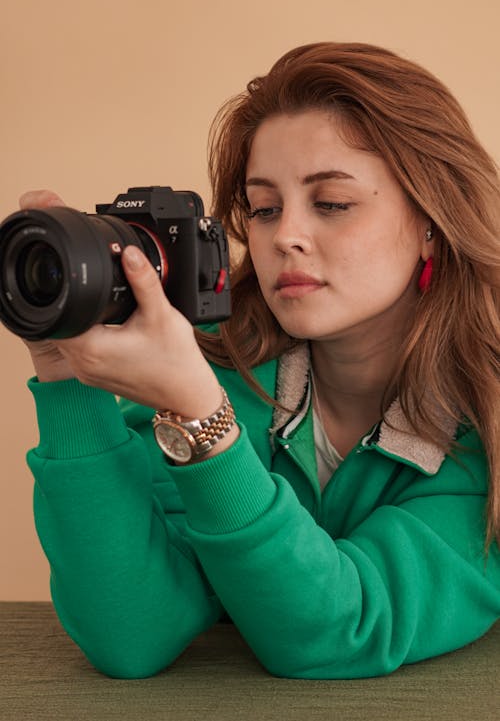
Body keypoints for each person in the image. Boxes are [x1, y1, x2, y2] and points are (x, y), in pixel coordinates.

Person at [16, 42, 500, 679]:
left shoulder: (483, 430)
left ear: (431, 220)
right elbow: (131, 633)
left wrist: (202, 424)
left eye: (331, 203)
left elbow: (340, 631)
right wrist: (66, 373)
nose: (284, 236)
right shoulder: (214, 370)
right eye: (264, 209)